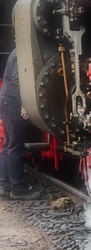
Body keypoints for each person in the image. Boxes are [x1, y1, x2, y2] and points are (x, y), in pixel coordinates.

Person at [0, 49, 41, 200]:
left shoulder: (16, 51)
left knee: (7, 144)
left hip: (7, 100)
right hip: (13, 103)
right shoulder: (22, 53)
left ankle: (4, 186)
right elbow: (18, 80)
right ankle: (18, 189)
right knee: (16, 145)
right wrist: (24, 104)